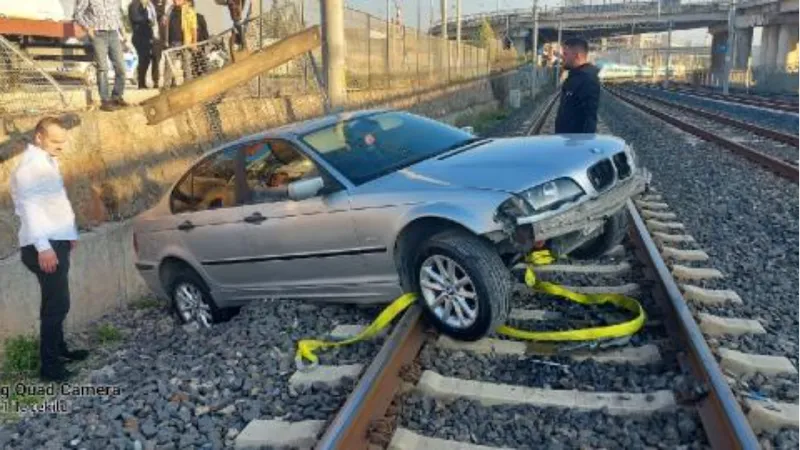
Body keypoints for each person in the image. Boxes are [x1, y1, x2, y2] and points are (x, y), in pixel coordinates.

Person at [10, 117, 89, 383]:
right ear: (39, 137)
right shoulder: (30, 168)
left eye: (63, 141)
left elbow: (56, 203)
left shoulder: (46, 162)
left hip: (56, 239)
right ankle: (50, 367)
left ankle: (59, 351)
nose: (60, 146)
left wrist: (70, 233)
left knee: (52, 303)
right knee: (58, 305)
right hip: (42, 244)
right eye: (55, 141)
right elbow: (30, 210)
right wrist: (44, 248)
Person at [73, 0, 129, 111]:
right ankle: (105, 101)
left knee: (121, 67)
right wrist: (88, 28)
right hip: (98, 34)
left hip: (113, 33)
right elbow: (78, 13)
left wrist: (123, 31)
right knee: (103, 68)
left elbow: (117, 13)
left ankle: (117, 97)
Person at [554, 37, 601, 134]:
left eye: (566, 54)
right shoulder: (574, 76)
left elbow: (590, 118)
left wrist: (584, 145)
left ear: (577, 56)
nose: (563, 57)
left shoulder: (587, 79)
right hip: (567, 140)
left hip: (575, 143)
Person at [128, 0, 159, 89]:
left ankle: (143, 81)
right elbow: (135, 18)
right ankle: (141, 82)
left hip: (147, 35)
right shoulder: (135, 4)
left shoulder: (148, 4)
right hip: (139, 35)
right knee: (143, 59)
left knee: (147, 59)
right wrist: (148, 20)